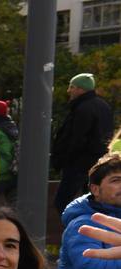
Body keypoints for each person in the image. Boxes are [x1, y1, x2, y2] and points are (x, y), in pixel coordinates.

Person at [53, 73, 114, 214]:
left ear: (81, 89)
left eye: (72, 87)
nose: (69, 90)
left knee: (62, 202)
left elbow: (77, 138)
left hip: (78, 164)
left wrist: (63, 159)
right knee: (93, 202)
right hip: (98, 162)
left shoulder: (82, 109)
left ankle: (78, 230)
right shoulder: (103, 106)